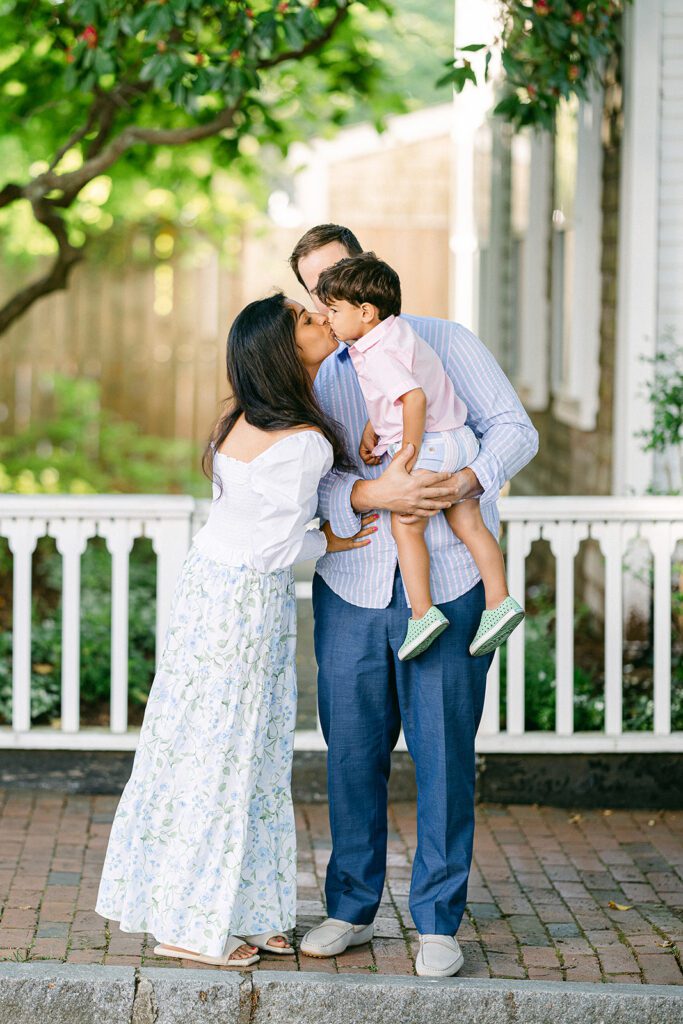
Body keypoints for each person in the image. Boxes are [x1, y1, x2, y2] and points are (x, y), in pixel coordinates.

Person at [95, 292, 377, 967]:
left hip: (207, 589)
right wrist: (332, 544)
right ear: (282, 350)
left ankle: (249, 909)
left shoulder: (239, 425)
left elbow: (245, 526)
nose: (320, 322)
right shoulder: (304, 442)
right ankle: (195, 926)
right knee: (233, 757)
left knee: (219, 752)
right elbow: (275, 550)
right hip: (246, 603)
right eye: (307, 321)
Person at [290, 224, 538, 978]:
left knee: (441, 756)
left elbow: (514, 431)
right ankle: (351, 908)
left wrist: (463, 482)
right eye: (312, 289)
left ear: (363, 276)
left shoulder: (443, 341)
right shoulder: (316, 372)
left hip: (454, 581)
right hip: (353, 589)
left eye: (335, 279)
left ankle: (437, 920)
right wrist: (372, 491)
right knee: (352, 757)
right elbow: (310, 478)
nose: (325, 302)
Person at [316, 251, 525, 662]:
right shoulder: (397, 334)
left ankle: (423, 612)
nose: (328, 318)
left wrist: (405, 456)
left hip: (428, 444)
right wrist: (375, 426)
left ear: (365, 311)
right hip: (457, 438)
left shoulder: (373, 353)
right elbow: (400, 391)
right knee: (468, 519)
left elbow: (412, 397)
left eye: (333, 309)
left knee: (407, 527)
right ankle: (499, 600)